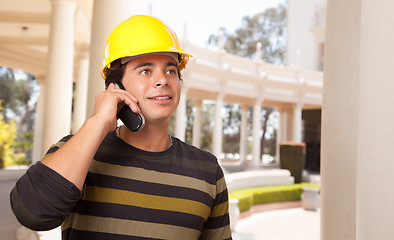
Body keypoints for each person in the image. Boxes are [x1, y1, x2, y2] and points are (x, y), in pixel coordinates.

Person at [10, 15, 232, 240]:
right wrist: (98, 121)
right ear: (115, 86)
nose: (163, 80)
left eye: (171, 70)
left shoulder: (208, 171)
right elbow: (32, 213)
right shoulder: (78, 152)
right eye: (145, 70)